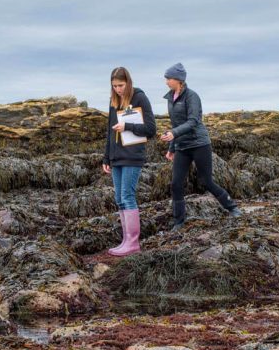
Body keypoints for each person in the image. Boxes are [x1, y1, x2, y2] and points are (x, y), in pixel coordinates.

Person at [159, 63, 242, 230]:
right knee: (176, 184)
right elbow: (176, 123)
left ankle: (231, 207)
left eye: (168, 78)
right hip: (182, 147)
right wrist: (172, 148)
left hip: (199, 144)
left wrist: (174, 133)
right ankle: (179, 222)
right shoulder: (170, 98)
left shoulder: (192, 96)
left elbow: (193, 121)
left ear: (178, 80)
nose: (166, 81)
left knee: (206, 181)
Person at [103, 67, 156, 256]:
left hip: (133, 155)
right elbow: (110, 132)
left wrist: (127, 126)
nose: (118, 89)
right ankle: (126, 240)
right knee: (119, 199)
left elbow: (151, 129)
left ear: (128, 82)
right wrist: (106, 157)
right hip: (116, 157)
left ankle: (133, 243)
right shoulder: (113, 100)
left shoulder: (140, 98)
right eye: (115, 86)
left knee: (127, 196)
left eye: (121, 85)